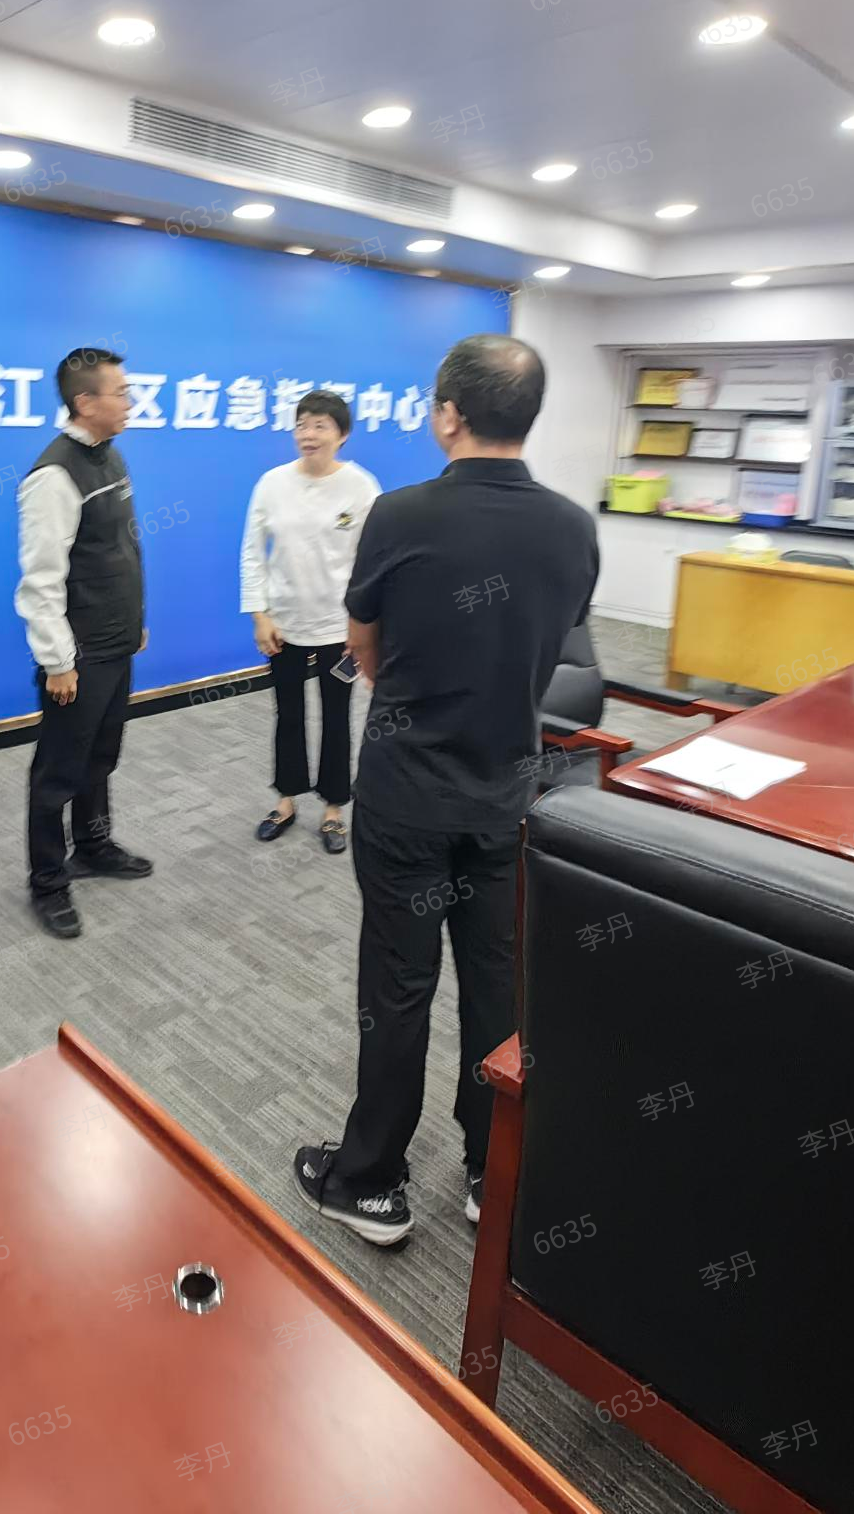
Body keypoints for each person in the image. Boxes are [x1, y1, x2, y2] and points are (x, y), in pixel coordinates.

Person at [293, 334, 598, 1246]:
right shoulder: (573, 527)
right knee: (496, 985)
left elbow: (364, 649)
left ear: (450, 415)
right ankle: (486, 1169)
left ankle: (371, 1182)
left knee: (398, 986)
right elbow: (554, 645)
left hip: (406, 795)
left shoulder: (400, 513)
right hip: (507, 797)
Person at [15, 346, 154, 939]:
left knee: (101, 756)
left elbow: (120, 548)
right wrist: (57, 662)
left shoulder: (110, 455)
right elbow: (40, 581)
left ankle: (94, 847)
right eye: (120, 393)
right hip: (77, 656)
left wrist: (134, 620)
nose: (130, 402)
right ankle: (47, 882)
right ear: (84, 402)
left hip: (115, 643)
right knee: (58, 773)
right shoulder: (53, 477)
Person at [241, 389, 381, 853]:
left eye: (321, 425)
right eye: (302, 424)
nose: (309, 434)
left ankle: (334, 809)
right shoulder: (271, 483)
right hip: (283, 626)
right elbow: (252, 554)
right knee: (288, 714)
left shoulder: (361, 487)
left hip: (339, 630)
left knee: (337, 716)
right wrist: (260, 615)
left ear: (342, 434)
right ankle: (285, 801)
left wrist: (364, 626)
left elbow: (372, 562)